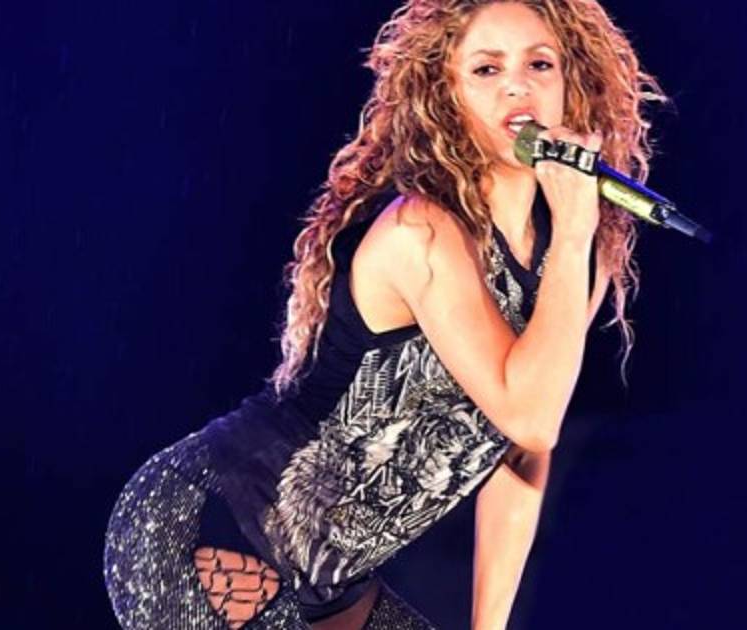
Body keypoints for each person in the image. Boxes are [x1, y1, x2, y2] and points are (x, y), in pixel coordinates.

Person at [103, 1, 665, 627]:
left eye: (540, 64)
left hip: (332, 574)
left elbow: (522, 448)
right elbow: (530, 419)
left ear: (570, 84)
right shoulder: (420, 233)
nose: (518, 86)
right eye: (486, 69)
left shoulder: (573, 260)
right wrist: (576, 225)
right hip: (218, 523)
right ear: (445, 95)